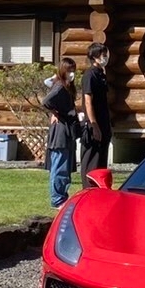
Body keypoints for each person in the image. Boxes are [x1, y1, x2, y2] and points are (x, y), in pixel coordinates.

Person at [42, 63, 78, 207]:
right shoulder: (60, 87)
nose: (72, 73)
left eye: (73, 70)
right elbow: (46, 101)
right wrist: (54, 112)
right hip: (60, 131)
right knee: (59, 166)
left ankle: (62, 195)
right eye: (69, 70)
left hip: (67, 130)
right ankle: (57, 199)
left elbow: (47, 82)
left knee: (65, 167)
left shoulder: (66, 87)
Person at [79, 43, 112, 173]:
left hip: (104, 122)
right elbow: (88, 102)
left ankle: (99, 185)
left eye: (106, 54)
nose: (105, 57)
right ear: (94, 57)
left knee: (101, 160)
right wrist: (94, 125)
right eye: (103, 55)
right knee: (92, 160)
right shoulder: (90, 75)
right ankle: (89, 185)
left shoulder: (101, 74)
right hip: (93, 123)